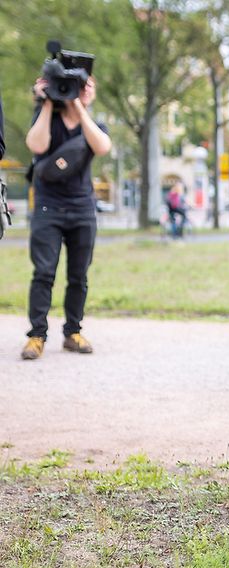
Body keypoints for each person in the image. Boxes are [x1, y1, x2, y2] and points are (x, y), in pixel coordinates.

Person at [21, 75, 112, 360]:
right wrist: (47, 102)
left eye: (86, 86)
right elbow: (36, 145)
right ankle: (37, 335)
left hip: (82, 208)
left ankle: (73, 331)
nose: (80, 90)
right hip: (49, 207)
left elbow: (102, 146)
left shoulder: (92, 124)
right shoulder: (46, 117)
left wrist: (77, 103)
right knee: (44, 273)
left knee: (78, 275)